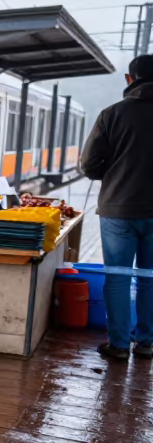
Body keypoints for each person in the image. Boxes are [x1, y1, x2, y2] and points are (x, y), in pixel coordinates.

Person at [81, 54, 153, 362]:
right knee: (150, 277)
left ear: (129, 79)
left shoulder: (112, 114)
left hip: (117, 209)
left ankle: (120, 346)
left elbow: (88, 164)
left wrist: (111, 172)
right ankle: (147, 343)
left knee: (119, 278)